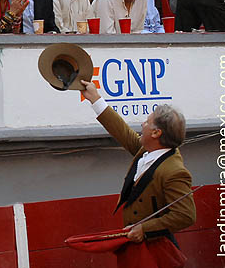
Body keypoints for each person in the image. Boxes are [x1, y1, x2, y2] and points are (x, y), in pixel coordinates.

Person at [80, 81, 196, 251]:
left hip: (155, 247)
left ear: (156, 133)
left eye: (147, 123)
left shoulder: (174, 172)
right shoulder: (148, 150)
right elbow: (122, 132)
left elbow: (185, 215)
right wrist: (95, 98)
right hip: (138, 245)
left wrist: (145, 229)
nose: (142, 125)